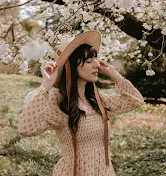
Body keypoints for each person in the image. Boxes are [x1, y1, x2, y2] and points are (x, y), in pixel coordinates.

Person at [18, 30, 144, 176]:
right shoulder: (57, 102)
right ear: (72, 67)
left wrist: (113, 73)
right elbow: (26, 128)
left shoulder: (98, 100)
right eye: (89, 61)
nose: (97, 65)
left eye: (96, 59)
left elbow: (136, 101)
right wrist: (46, 85)